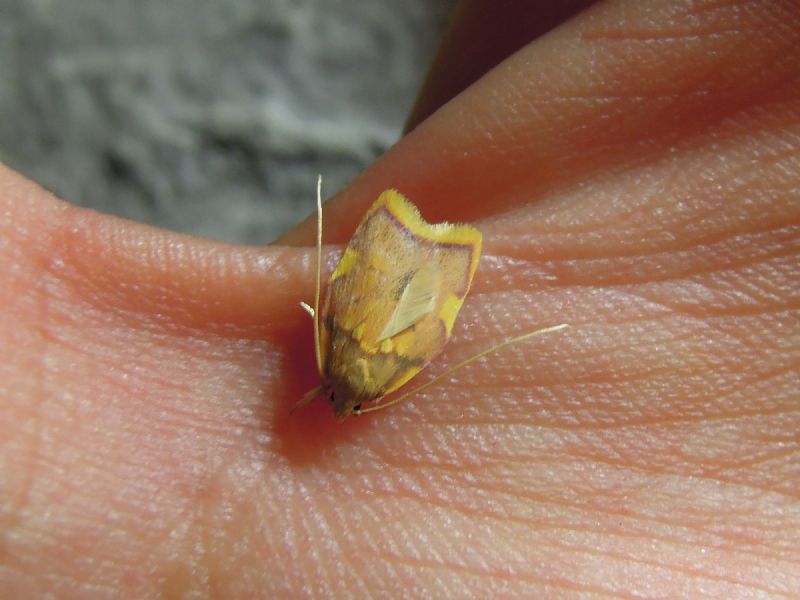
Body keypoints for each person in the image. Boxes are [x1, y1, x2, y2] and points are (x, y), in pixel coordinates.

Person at [2, 1, 798, 596]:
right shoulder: (355, 378)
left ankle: (429, 241)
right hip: (395, 298)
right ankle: (426, 240)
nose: (339, 414)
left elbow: (328, 314)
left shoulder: (353, 378)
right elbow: (331, 316)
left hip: (394, 294)